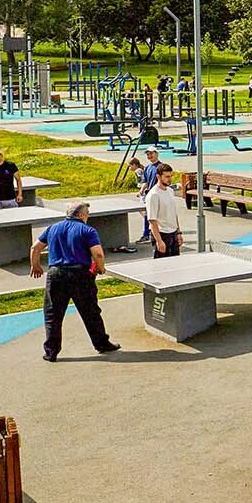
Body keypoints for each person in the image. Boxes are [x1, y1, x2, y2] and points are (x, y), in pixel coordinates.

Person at [30, 201, 120, 362]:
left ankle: (51, 351)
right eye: (87, 215)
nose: (88, 217)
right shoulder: (88, 230)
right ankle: (101, 343)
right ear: (80, 215)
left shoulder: (53, 228)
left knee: (53, 315)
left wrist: (36, 265)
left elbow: (35, 248)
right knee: (90, 312)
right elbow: (97, 254)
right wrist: (101, 268)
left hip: (55, 274)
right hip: (80, 275)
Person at [146, 163, 183, 258]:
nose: (169, 179)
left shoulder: (170, 191)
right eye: (166, 177)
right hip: (162, 234)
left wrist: (178, 232)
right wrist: (159, 240)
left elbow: (174, 214)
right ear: (158, 176)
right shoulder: (153, 195)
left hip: (173, 233)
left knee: (175, 264)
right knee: (161, 266)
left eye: (170, 176)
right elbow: (152, 220)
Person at [136, 147, 162, 244]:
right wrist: (141, 190)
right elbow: (145, 181)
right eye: (148, 154)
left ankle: (157, 235)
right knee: (148, 215)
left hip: (158, 195)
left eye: (151, 153)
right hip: (149, 196)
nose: (149, 156)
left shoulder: (161, 167)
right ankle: (147, 234)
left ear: (156, 154)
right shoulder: (147, 168)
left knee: (157, 216)